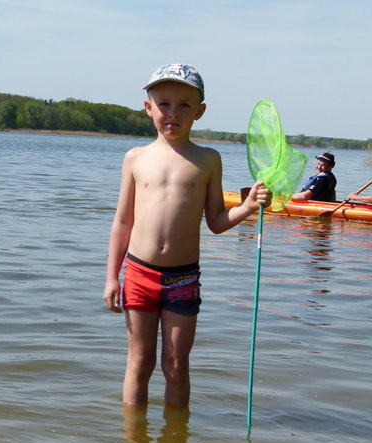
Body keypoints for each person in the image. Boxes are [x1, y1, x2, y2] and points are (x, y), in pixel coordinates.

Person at [102, 63, 271, 407]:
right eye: (164, 104)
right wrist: (111, 277)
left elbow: (216, 221)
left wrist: (249, 206)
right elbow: (122, 221)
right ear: (148, 107)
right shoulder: (136, 158)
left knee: (176, 365)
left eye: (184, 105)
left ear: (200, 112)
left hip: (182, 278)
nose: (173, 113)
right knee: (140, 362)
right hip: (138, 273)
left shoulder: (208, 159)